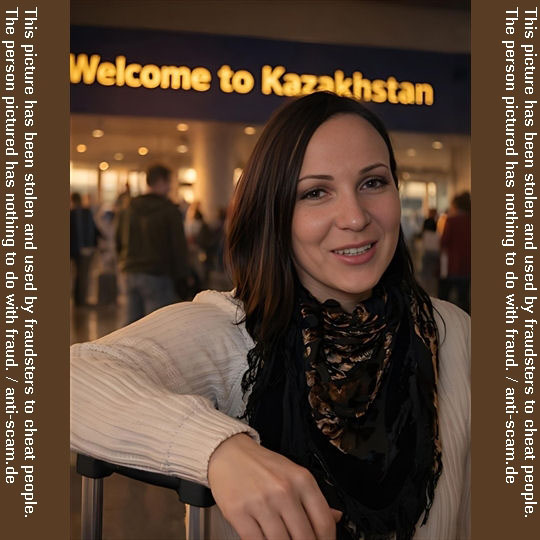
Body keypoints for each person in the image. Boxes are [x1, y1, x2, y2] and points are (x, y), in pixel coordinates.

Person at [72, 93, 470, 540]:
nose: (355, 217)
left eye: (373, 182)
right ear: (275, 212)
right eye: (315, 192)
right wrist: (219, 450)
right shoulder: (233, 330)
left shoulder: (452, 332)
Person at [115, 164, 190, 323]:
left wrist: (123, 262)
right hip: (157, 273)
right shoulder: (169, 210)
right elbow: (178, 247)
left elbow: (118, 239)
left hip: (129, 271)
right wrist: (182, 277)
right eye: (169, 182)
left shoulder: (129, 208)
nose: (170, 187)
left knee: (130, 327)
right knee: (157, 326)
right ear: (161, 181)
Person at [439, 192, 471, 313]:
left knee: (445, 299)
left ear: (456, 205)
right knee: (464, 299)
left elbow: (444, 242)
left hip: (452, 264)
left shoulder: (451, 221)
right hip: (467, 265)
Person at [70, 192, 99, 306]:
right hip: (86, 250)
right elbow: (94, 230)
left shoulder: (73, 213)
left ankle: (78, 300)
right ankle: (81, 300)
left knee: (78, 276)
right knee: (83, 276)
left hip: (76, 251)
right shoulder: (86, 212)